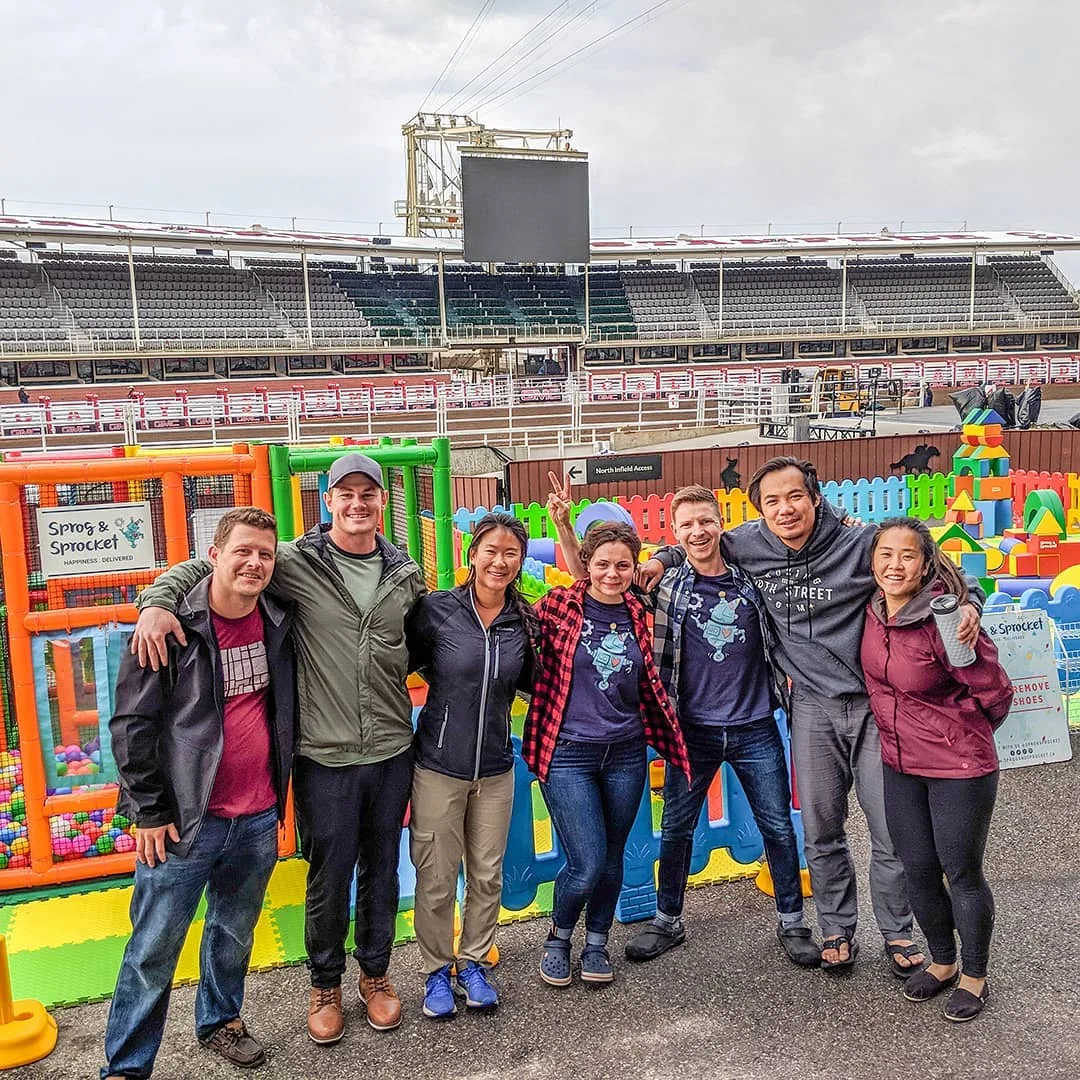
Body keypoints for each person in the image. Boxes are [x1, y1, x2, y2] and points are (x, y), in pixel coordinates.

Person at [641, 457, 983, 973]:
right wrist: (662, 560)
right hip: (812, 708)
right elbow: (697, 540)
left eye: (794, 496)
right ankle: (837, 927)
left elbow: (931, 564)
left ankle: (896, 931)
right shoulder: (748, 543)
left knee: (888, 827)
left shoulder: (859, 541)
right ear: (758, 511)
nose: (785, 509)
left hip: (872, 705)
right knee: (822, 827)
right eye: (772, 501)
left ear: (816, 497)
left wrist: (971, 601)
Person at [130, 453, 425, 1045]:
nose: (358, 504)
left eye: (369, 493)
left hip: (392, 748)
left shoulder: (406, 573)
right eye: (346, 493)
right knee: (328, 876)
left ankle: (376, 974)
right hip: (323, 753)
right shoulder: (294, 561)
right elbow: (209, 564)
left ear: (383, 502)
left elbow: (419, 643)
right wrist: (158, 602)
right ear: (328, 500)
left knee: (383, 874)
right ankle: (325, 983)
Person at [548, 480, 818, 968]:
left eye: (705, 521)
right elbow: (592, 579)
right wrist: (566, 529)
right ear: (675, 531)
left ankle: (792, 920)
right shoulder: (663, 586)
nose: (698, 532)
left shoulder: (751, 578)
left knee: (777, 826)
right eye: (687, 525)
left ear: (721, 524)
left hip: (755, 724)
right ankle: (668, 920)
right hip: (690, 729)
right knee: (676, 828)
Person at [103, 507, 295, 1078]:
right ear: (212, 556)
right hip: (186, 818)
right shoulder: (169, 627)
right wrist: (149, 811)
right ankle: (128, 1065)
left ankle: (219, 1021)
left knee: (234, 933)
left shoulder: (279, 619)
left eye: (265, 553)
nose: (254, 563)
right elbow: (132, 725)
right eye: (243, 551)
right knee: (153, 952)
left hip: (257, 815)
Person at [523, 520, 690, 987]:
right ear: (586, 566)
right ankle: (559, 936)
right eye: (602, 564)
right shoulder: (559, 604)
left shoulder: (641, 610)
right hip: (569, 752)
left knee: (613, 856)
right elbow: (516, 636)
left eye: (622, 565)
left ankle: (597, 941)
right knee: (587, 860)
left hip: (625, 752)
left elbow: (689, 551)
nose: (612, 574)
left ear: (634, 567)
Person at [861, 517, 1012, 1022]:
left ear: (926, 565)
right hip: (900, 763)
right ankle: (943, 962)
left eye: (907, 556)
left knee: (961, 872)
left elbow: (994, 690)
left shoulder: (947, 621)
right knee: (918, 869)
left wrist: (962, 733)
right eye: (885, 555)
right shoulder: (873, 611)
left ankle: (974, 974)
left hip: (959, 766)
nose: (894, 565)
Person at [405, 513, 536, 1019]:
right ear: (472, 555)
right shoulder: (437, 611)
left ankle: (475, 961)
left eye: (510, 553)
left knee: (486, 874)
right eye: (491, 550)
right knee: (436, 876)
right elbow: (401, 665)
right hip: (438, 766)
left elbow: (535, 680)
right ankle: (438, 970)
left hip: (496, 769)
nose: (499, 562)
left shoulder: (522, 621)